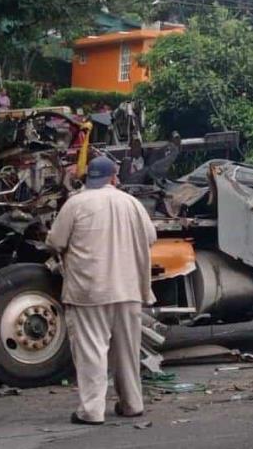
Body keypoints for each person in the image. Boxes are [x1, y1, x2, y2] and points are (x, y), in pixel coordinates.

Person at [46, 156, 157, 425]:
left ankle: (92, 411)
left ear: (89, 178)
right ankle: (132, 404)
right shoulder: (132, 203)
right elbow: (151, 237)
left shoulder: (76, 203)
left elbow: (56, 241)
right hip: (128, 288)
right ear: (114, 177)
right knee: (127, 351)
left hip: (90, 290)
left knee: (92, 350)